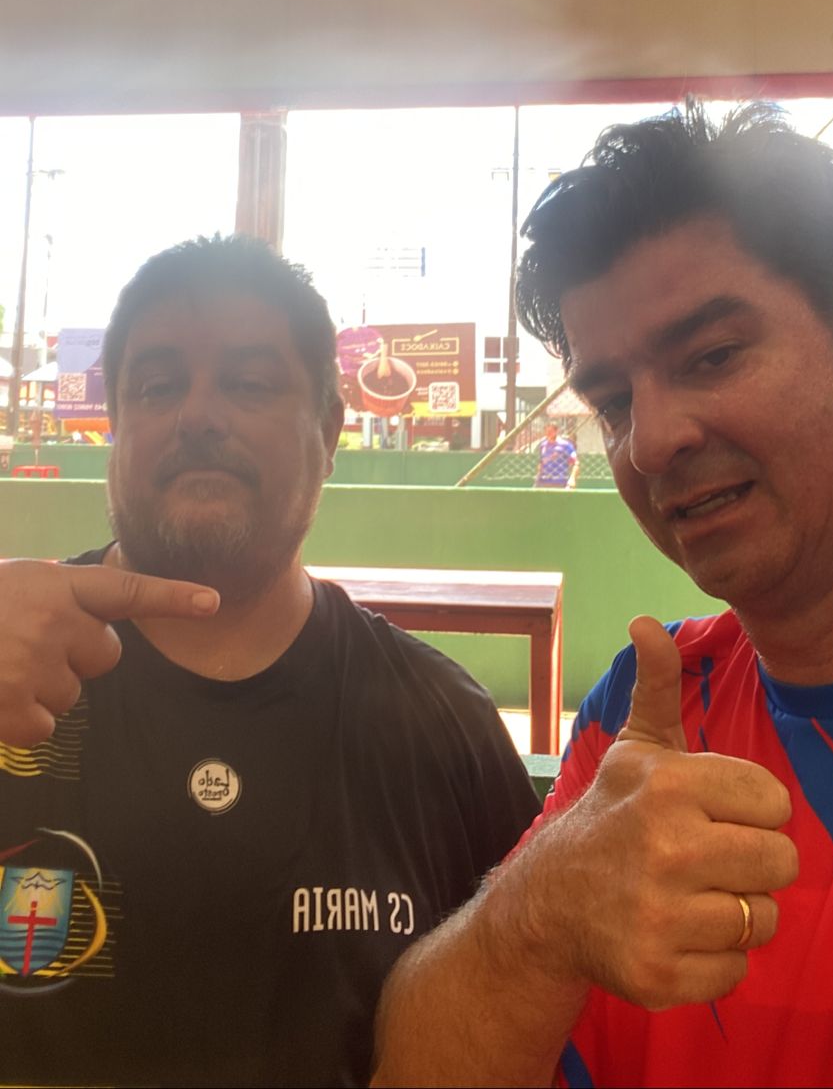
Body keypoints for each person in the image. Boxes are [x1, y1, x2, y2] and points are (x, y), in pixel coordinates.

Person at [374, 100, 833, 1089]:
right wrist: (540, 914)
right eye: (613, 401)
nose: (651, 441)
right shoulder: (643, 717)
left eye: (713, 356)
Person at [0, 235, 538, 1088]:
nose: (198, 415)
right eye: (157, 387)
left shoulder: (443, 725)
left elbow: (528, 1023)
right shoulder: (11, 679)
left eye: (248, 384)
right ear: (117, 429)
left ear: (329, 431)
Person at [533, 419, 579, 488]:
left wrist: (572, 479)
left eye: (550, 431)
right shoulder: (543, 445)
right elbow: (541, 463)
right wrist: (537, 478)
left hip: (560, 482)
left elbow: (576, 463)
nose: (548, 433)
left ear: (556, 431)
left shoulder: (565, 445)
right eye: (546, 431)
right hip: (543, 482)